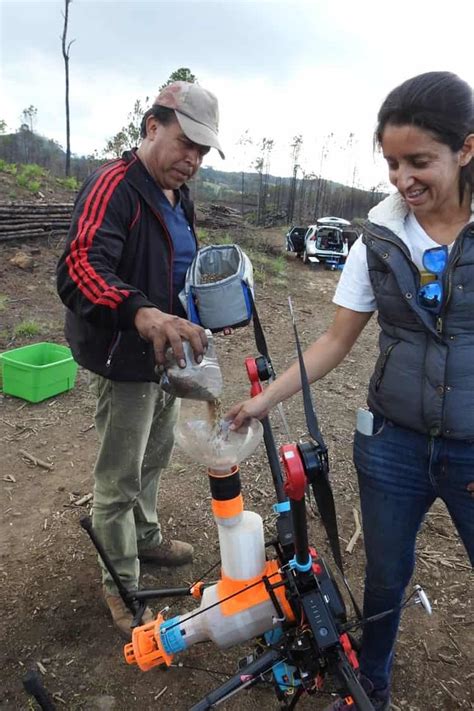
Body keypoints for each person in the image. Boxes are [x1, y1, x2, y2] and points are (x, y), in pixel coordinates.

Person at [227, 71, 474, 710]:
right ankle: (372, 684)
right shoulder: (378, 241)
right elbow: (334, 342)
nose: (402, 179)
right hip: (392, 445)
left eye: (420, 161)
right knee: (385, 578)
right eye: (392, 163)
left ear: (466, 149)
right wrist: (263, 400)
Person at [57, 81, 225, 639]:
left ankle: (145, 537)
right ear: (153, 126)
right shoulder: (116, 186)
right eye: (185, 144)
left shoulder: (179, 195)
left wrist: (194, 309)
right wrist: (141, 312)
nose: (193, 160)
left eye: (202, 152)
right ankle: (122, 585)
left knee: (155, 456)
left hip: (165, 355)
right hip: (124, 356)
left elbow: (176, 263)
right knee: (119, 476)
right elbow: (79, 267)